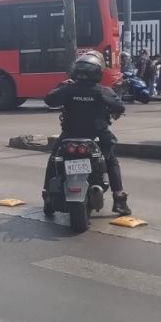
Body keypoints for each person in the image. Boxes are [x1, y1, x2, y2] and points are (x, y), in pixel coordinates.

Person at [42, 51, 130, 216]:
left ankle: (47, 195)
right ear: (97, 72)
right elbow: (119, 107)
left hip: (69, 136)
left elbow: (49, 100)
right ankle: (119, 199)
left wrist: (61, 86)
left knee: (54, 160)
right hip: (97, 136)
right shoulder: (103, 91)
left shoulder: (68, 89)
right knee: (111, 160)